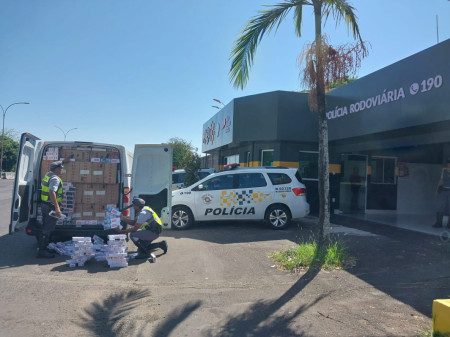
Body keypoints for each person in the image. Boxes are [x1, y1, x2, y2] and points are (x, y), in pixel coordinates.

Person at [38, 160, 64, 258]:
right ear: (56, 169)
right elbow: (52, 192)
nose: (61, 170)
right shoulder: (55, 178)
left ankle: (44, 247)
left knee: (46, 226)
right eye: (60, 168)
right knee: (47, 228)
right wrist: (57, 208)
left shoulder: (48, 174)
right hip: (50, 206)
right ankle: (42, 250)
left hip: (45, 204)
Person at [433, 158, 450, 228]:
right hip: (443, 190)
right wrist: (437, 190)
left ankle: (449, 224)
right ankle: (439, 223)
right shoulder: (444, 170)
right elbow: (441, 181)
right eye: (448, 162)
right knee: (440, 206)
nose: (449, 164)